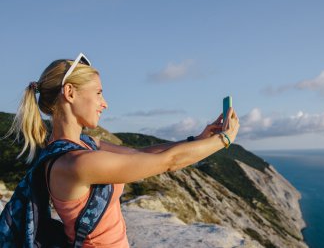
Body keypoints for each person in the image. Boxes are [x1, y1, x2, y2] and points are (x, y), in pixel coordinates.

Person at [8, 53, 240, 247]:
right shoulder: (76, 163)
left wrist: (197, 139)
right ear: (69, 93)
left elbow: (142, 154)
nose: (105, 103)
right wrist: (224, 139)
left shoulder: (84, 146)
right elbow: (169, 162)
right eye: (98, 93)